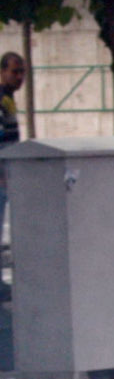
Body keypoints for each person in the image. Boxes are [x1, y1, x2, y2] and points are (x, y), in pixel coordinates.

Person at [0, 51, 24, 242]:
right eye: (15, 72)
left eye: (22, 72)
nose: (20, 77)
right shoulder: (2, 99)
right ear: (2, 71)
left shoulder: (8, 98)